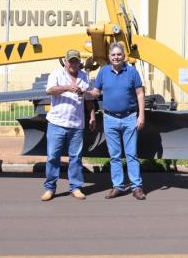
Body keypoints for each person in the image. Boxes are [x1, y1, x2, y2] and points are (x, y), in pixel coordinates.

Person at [88, 41, 147, 200]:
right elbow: (96, 91)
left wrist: (141, 116)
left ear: (124, 56)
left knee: (131, 154)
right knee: (114, 155)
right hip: (110, 119)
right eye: (113, 55)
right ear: (109, 57)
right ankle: (118, 186)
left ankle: (136, 187)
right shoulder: (103, 72)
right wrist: (86, 93)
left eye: (119, 55)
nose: (116, 57)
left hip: (129, 118)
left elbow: (140, 94)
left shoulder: (132, 72)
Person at [41, 49, 95, 201]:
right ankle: (50, 188)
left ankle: (75, 187)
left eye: (76, 61)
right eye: (70, 61)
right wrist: (67, 87)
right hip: (56, 122)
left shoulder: (84, 76)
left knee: (76, 158)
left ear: (79, 62)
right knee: (53, 156)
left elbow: (89, 98)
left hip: (77, 124)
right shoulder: (57, 74)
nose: (73, 64)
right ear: (65, 62)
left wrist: (92, 116)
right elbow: (49, 90)